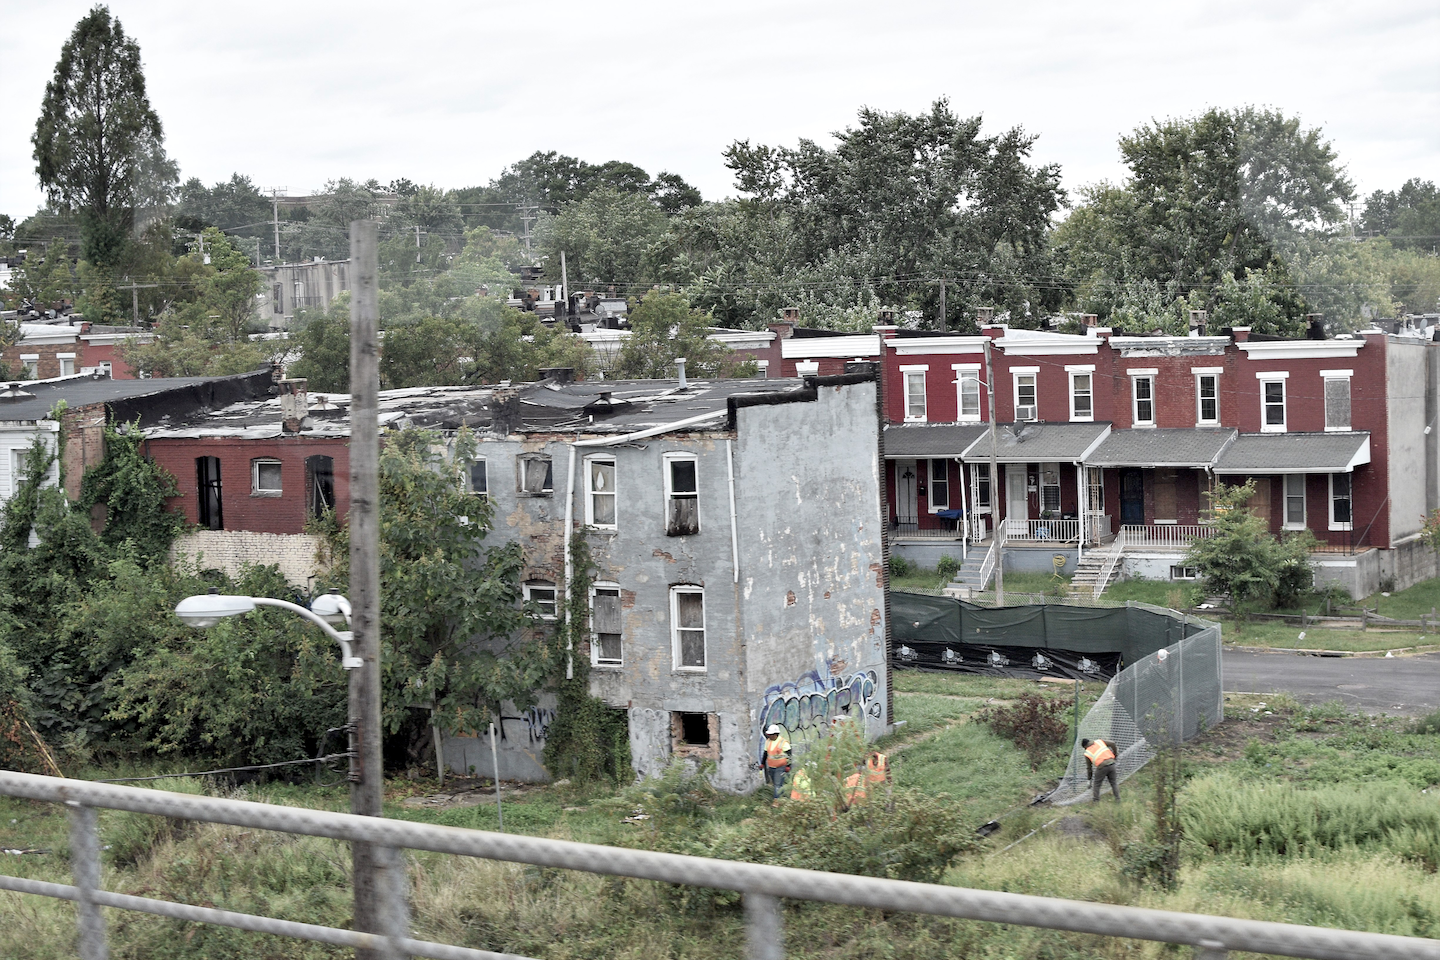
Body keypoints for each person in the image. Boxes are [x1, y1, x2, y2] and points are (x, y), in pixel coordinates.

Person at [1082, 737, 1119, 802]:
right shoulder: (1099, 742)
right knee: (1113, 783)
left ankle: (1096, 801)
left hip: (1102, 767)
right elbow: (1113, 743)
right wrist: (1115, 755)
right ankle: (1118, 799)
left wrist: (1089, 780)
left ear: (1085, 746)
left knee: (1096, 784)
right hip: (1112, 764)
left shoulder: (1087, 752)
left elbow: (1089, 768)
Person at [762, 724, 791, 799]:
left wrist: (788, 766)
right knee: (776, 784)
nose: (769, 736)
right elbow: (765, 753)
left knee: (778, 784)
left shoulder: (783, 742)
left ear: (775, 734)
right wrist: (762, 763)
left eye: (771, 734)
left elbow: (789, 755)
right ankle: (782, 797)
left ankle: (776, 801)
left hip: (781, 767)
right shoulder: (768, 742)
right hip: (771, 767)